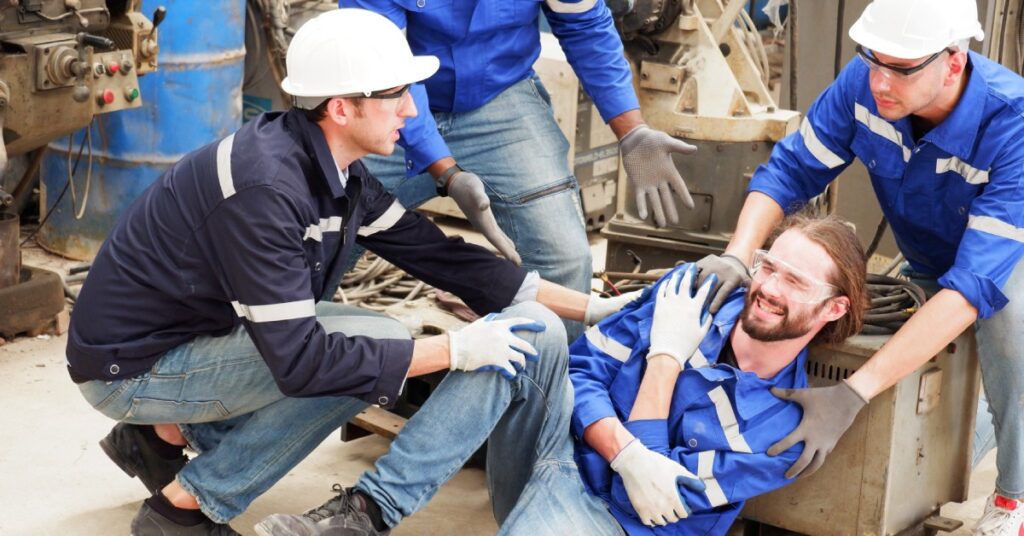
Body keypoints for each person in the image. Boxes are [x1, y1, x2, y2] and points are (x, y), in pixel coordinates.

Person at [65, 9, 640, 535]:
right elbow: (301, 363)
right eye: (397, 96)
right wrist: (455, 351)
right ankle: (182, 510)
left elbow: (438, 255)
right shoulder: (269, 189)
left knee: (367, 343)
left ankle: (162, 435)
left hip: (186, 337)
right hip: (131, 369)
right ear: (342, 107)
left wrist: (592, 308)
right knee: (368, 349)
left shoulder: (332, 167)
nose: (413, 111)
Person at [255, 214, 868, 536]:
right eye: (769, 267)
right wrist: (621, 445)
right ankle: (368, 514)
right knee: (528, 329)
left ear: (834, 308)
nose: (766, 288)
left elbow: (646, 500)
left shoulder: (782, 432)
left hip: (611, 523)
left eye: (795, 282)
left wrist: (663, 359)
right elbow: (582, 367)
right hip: (554, 454)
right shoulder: (694, 296)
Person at [693, 1, 1024, 534]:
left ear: (954, 62)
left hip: (1008, 259)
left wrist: (852, 392)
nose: (879, 81)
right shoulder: (866, 83)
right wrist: (739, 253)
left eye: (900, 68)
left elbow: (973, 285)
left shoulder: (1012, 123)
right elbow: (789, 170)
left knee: (1009, 325)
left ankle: (1014, 499)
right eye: (872, 60)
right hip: (930, 258)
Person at [332, 0, 699, 339]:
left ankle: (548, 392)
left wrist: (631, 130)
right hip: (388, 100)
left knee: (565, 260)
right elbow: (383, 60)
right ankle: (298, 371)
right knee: (321, 230)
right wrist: (446, 171)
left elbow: (583, 25)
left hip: (501, 99)